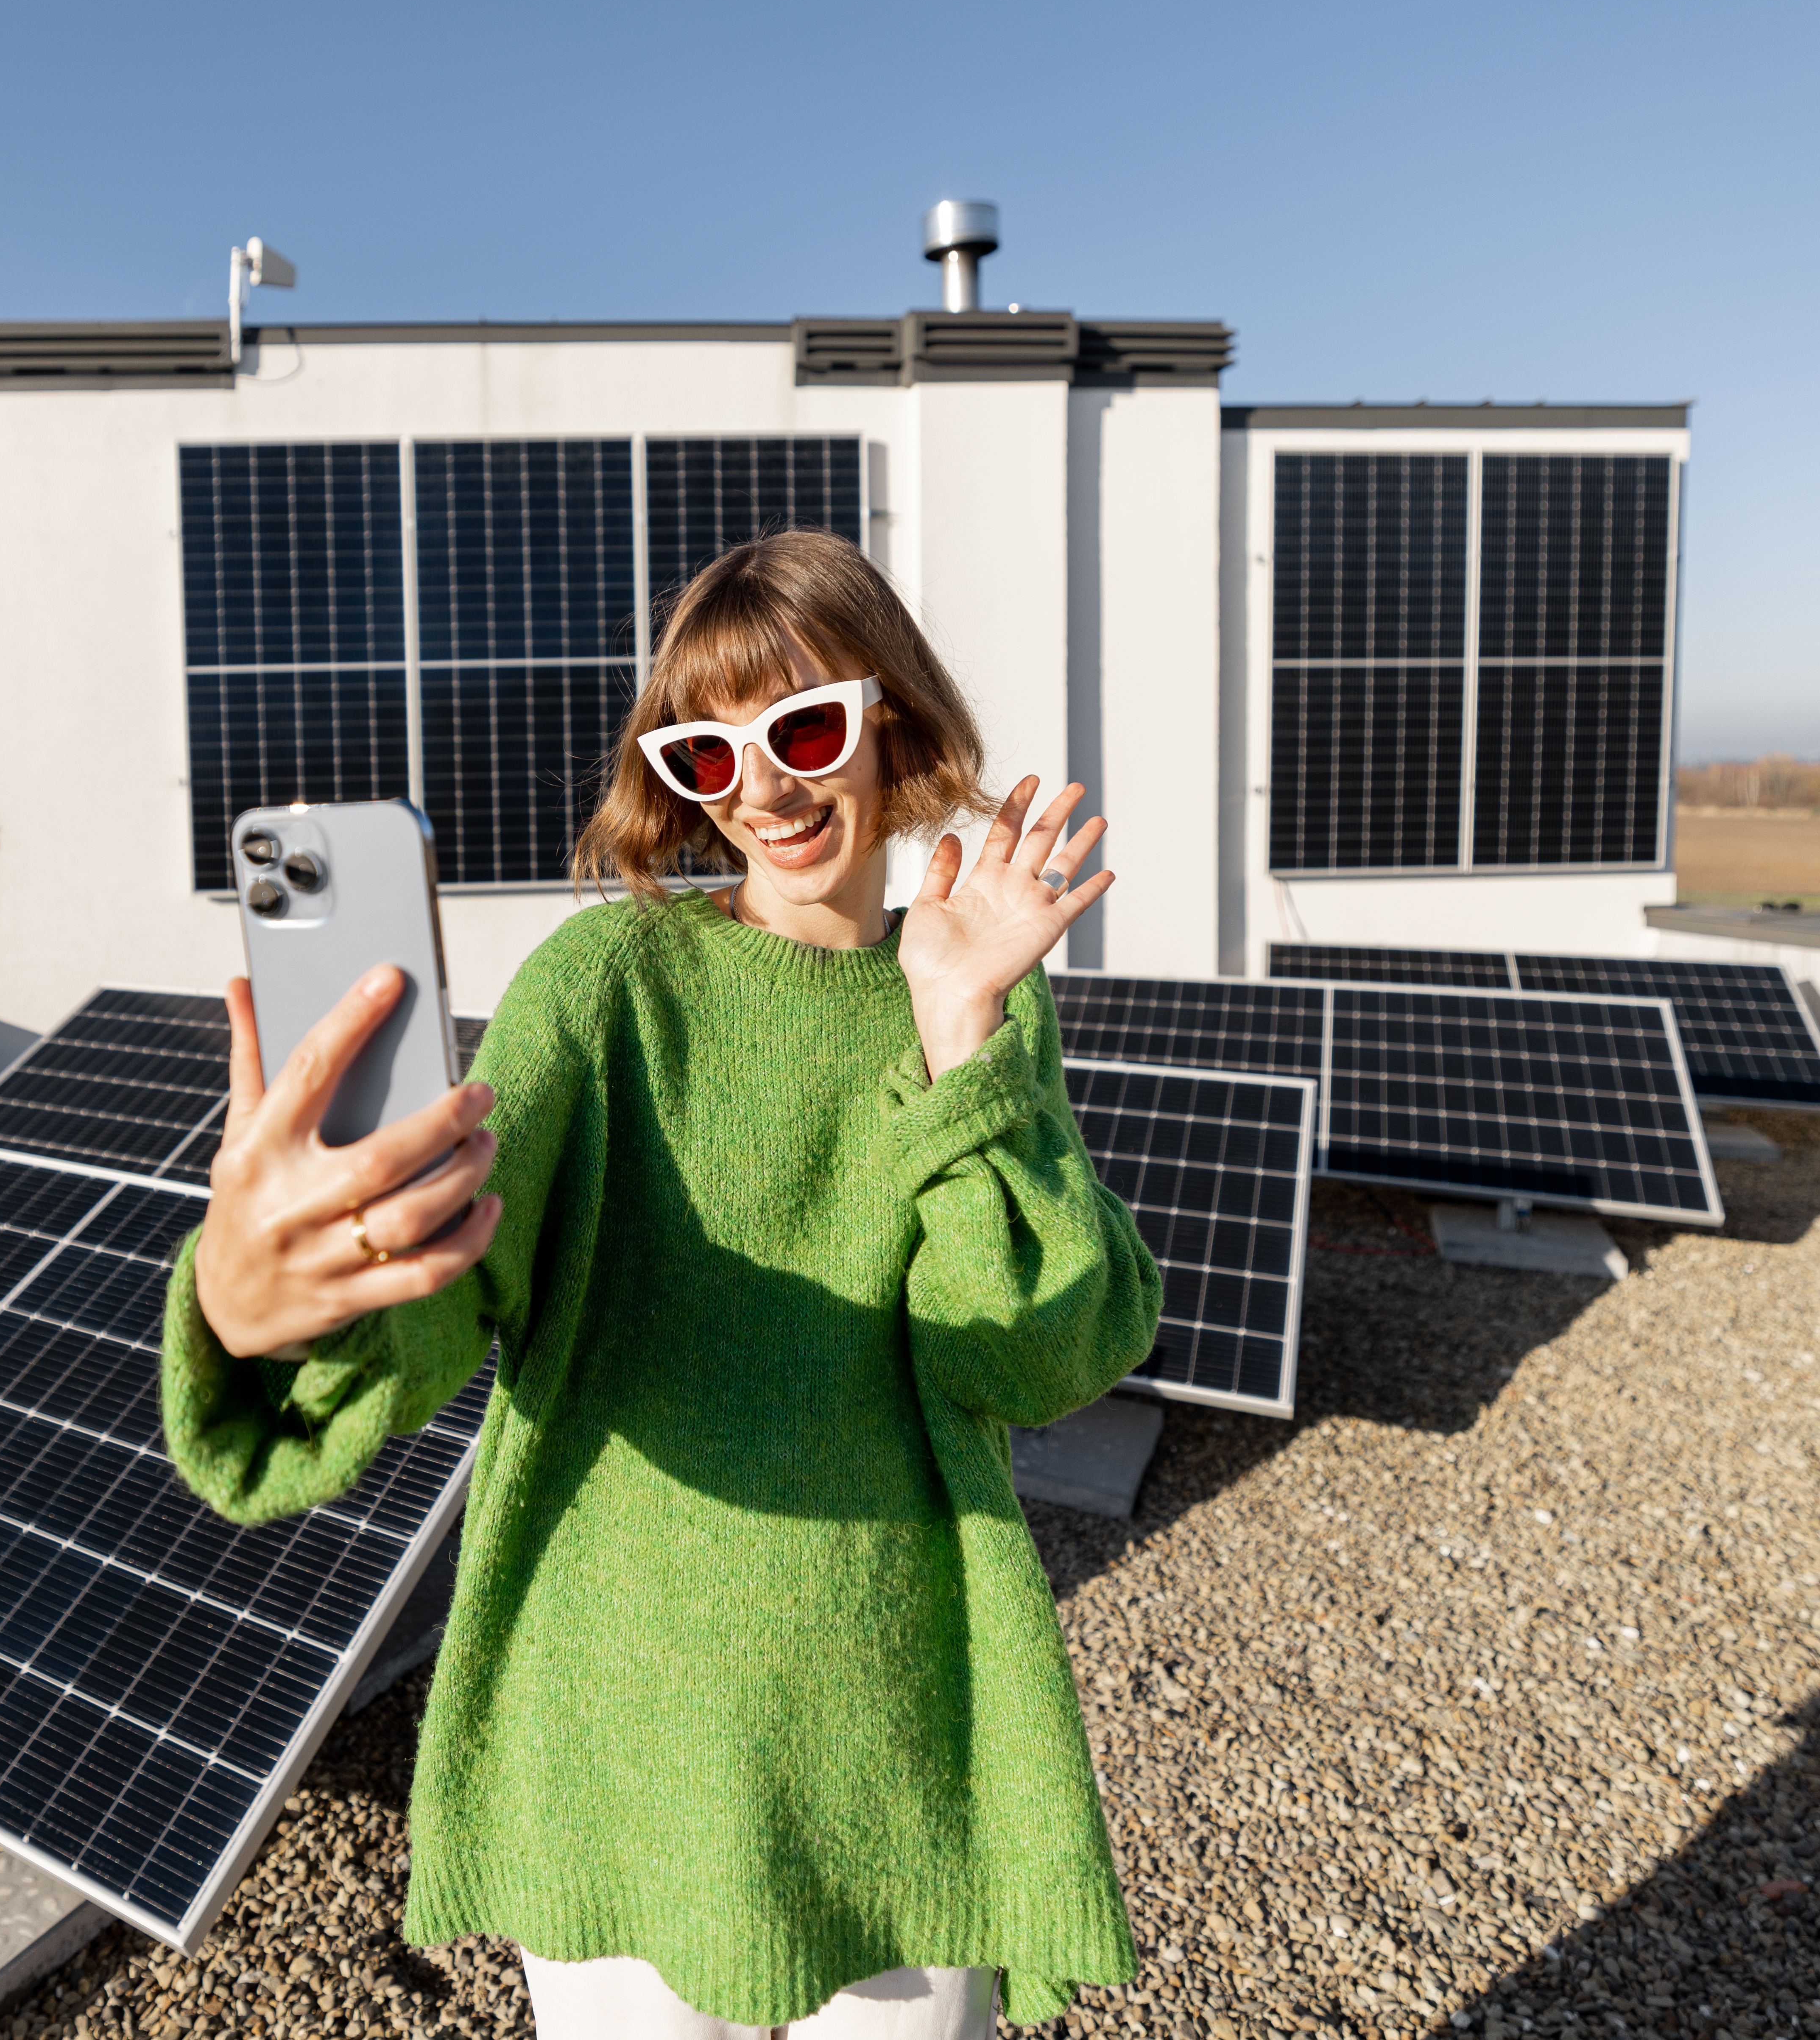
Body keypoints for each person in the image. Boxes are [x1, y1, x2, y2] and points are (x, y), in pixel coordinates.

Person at [164, 530, 1162, 2038]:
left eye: (805, 729)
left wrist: (960, 1029)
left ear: (891, 717)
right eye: (707, 754)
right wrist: (271, 1311)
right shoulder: (603, 987)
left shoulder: (980, 993)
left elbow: (1034, 1359)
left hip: (891, 1714)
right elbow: (461, 1277)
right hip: (616, 1720)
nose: (761, 789)